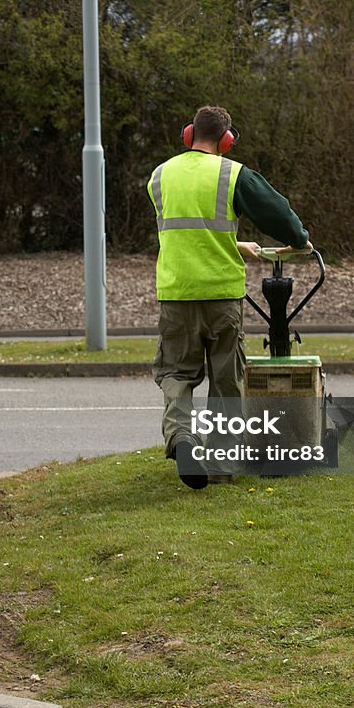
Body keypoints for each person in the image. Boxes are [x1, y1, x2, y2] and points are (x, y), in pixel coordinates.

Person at [148, 104, 311, 489]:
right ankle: (220, 466)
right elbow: (278, 212)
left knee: (176, 373)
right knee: (226, 380)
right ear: (227, 140)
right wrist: (299, 239)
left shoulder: (160, 176)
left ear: (189, 135)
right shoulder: (232, 174)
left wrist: (234, 243)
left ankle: (182, 438)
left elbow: (187, 231)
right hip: (221, 295)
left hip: (176, 294)